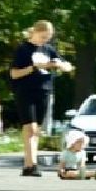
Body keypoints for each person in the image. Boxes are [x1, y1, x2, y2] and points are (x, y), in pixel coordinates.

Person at [9, 20, 72, 177]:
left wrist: (59, 65)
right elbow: (14, 74)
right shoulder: (23, 49)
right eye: (43, 36)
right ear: (35, 32)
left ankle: (28, 164)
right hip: (25, 91)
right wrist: (34, 67)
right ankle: (32, 165)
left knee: (35, 130)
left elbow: (68, 66)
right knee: (29, 127)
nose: (45, 40)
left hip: (44, 92)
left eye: (48, 37)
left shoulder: (49, 49)